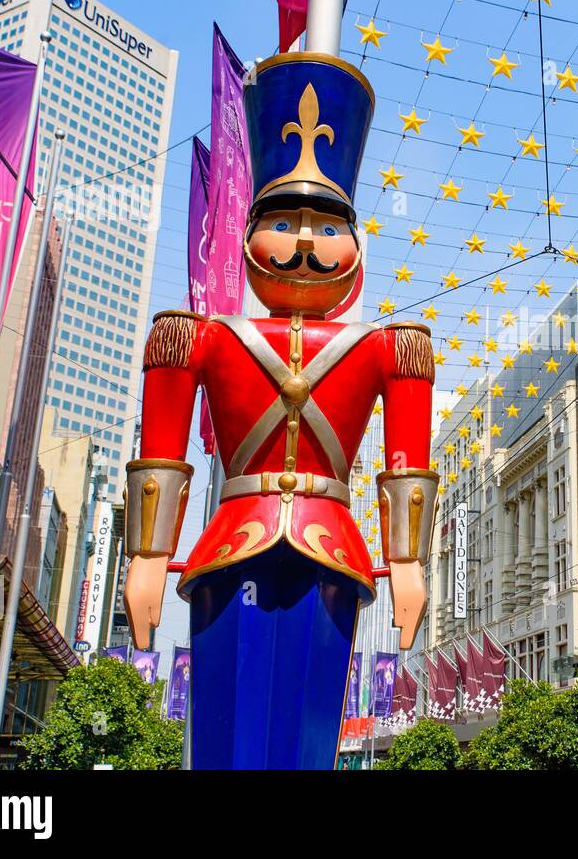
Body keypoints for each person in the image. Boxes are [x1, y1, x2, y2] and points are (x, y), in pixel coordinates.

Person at [122, 52, 437, 769]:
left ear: (354, 243)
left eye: (326, 226)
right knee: (226, 736)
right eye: (285, 220)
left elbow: (406, 459)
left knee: (306, 730)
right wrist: (145, 557)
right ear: (250, 230)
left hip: (332, 549)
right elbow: (164, 446)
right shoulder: (195, 335)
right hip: (231, 541)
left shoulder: (393, 346)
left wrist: (408, 563)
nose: (304, 241)